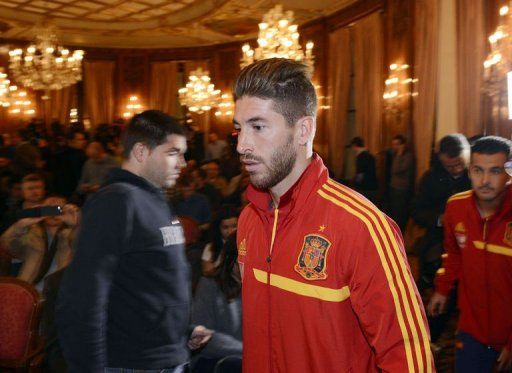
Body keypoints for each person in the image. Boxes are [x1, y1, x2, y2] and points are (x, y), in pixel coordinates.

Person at [233, 58, 433, 372]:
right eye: (239, 129)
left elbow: (408, 358)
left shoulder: (361, 225)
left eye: (258, 127)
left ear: (303, 130)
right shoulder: (249, 220)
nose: (242, 145)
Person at [56, 110, 212, 372]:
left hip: (168, 357)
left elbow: (149, 283)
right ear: (141, 152)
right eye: (173, 153)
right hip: (132, 364)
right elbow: (82, 299)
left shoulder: (155, 199)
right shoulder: (116, 201)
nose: (182, 163)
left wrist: (181, 331)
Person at [428, 136, 512, 373]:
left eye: (495, 171)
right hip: (471, 330)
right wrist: (443, 289)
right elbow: (454, 254)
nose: (484, 180)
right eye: (478, 170)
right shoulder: (456, 207)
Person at [412, 134, 471, 292]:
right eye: (450, 167)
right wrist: (440, 219)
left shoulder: (476, 175)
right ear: (441, 160)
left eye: (459, 164)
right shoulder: (430, 178)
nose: (456, 170)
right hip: (439, 236)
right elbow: (418, 212)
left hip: (473, 237)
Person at [0, 195, 78, 291]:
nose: (53, 213)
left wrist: (76, 225)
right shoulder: (31, 233)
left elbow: (87, 249)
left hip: (60, 293)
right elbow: (6, 244)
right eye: (49, 209)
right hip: (30, 292)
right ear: (41, 210)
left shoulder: (72, 234)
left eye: (58, 209)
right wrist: (21, 226)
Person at [192, 234, 242, 373]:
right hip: (216, 359)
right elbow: (202, 336)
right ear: (230, 260)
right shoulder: (209, 285)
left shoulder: (264, 288)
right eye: (242, 262)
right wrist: (248, 352)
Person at [386, 134, 415, 233]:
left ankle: (398, 233)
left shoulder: (408, 156)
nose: (394, 147)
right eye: (393, 144)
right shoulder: (393, 154)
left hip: (401, 189)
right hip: (393, 186)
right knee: (392, 210)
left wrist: (399, 154)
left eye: (397, 144)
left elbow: (396, 169)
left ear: (403, 145)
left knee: (399, 213)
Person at [201, 205, 239, 276]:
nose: (230, 231)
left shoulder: (245, 244)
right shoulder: (211, 246)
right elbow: (206, 271)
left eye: (234, 226)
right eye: (225, 227)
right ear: (218, 228)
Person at [349, 136, 378, 203]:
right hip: (372, 186)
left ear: (354, 145)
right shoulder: (369, 154)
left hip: (365, 188)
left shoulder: (361, 156)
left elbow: (360, 174)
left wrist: (355, 186)